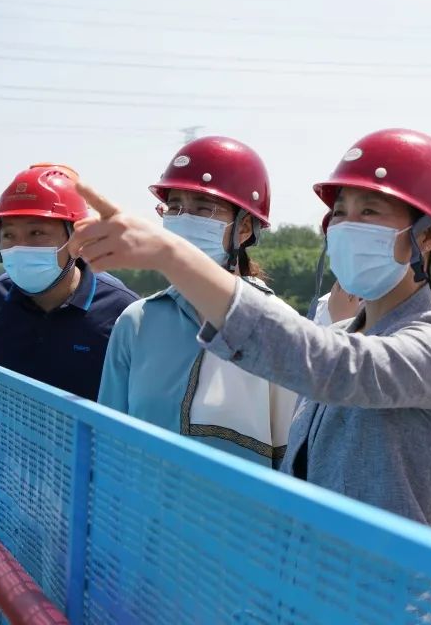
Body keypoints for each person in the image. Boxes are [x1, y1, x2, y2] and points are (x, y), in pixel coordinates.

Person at [69, 128, 431, 529]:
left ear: (426, 236)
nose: (347, 226)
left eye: (369, 212)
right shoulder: (341, 335)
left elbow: (333, 367)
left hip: (380, 574)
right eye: (339, 213)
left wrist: (171, 255)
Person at [99, 137, 298, 468]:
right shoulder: (137, 321)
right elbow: (108, 447)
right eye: (174, 206)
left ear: (244, 227)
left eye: (204, 208)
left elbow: (294, 465)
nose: (183, 219)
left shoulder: (279, 328)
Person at [0, 163, 137, 400]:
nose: (20, 247)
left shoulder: (121, 311)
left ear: (77, 238)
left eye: (37, 233)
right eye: (8, 235)